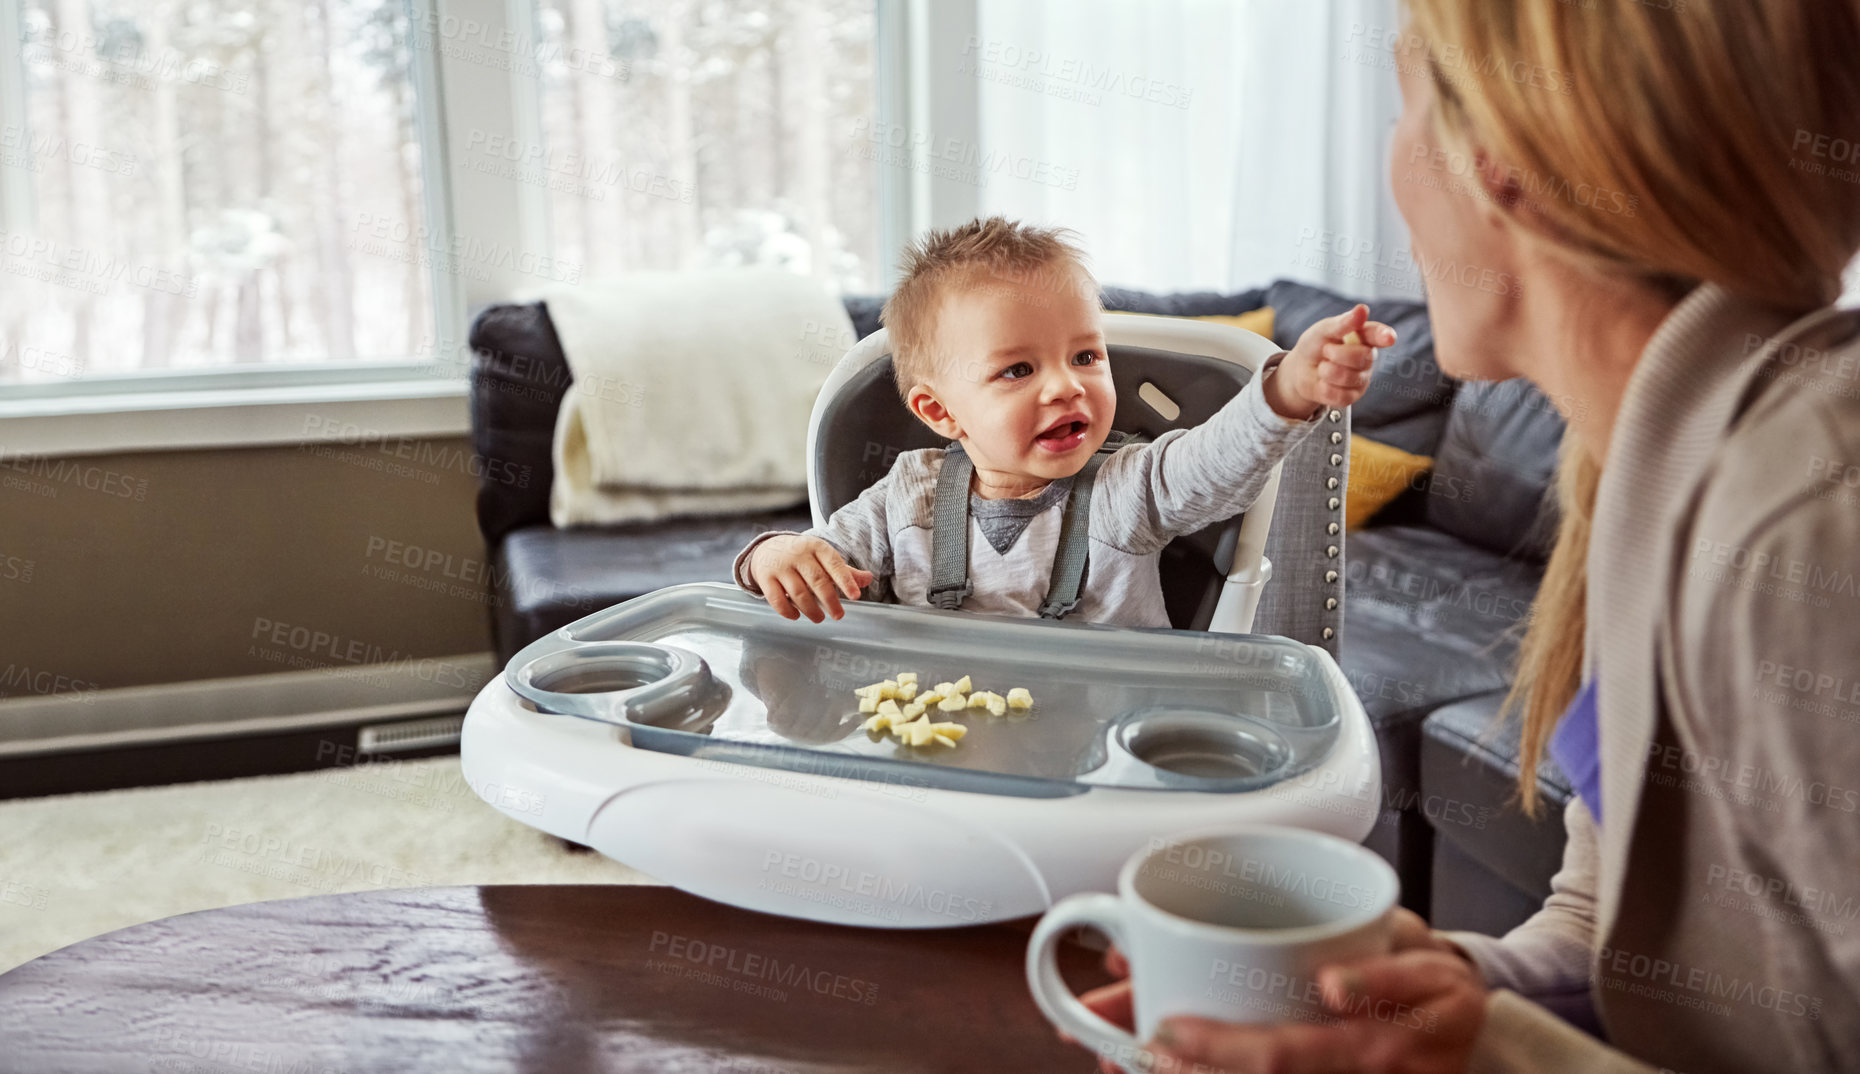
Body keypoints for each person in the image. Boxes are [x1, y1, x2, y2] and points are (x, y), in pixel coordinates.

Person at [1076, 2, 1860, 1071]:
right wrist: (1439, 997)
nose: (1396, 186)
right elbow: (1609, 934)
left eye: (1405, 111)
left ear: (1502, 159)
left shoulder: (1801, 531)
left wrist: (1490, 1053)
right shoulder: (1655, 466)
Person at [731, 216, 1394, 626]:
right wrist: (771, 558)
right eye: (1018, 371)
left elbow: (1215, 461)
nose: (1066, 386)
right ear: (940, 412)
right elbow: (821, 563)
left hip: (1103, 750)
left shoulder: (1126, 492)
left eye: (1085, 356)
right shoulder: (907, 497)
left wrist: (1287, 391)